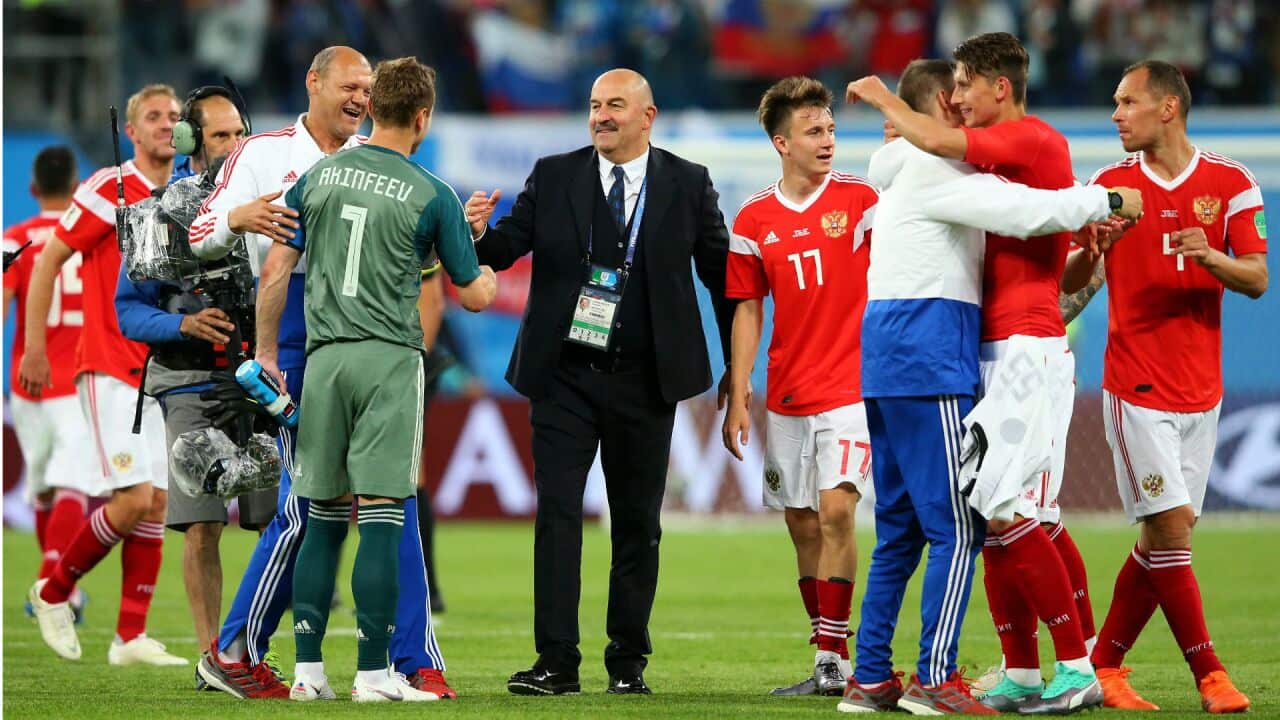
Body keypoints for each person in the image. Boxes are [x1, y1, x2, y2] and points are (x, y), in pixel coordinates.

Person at [841, 58, 1140, 715]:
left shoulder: (901, 177)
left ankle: (869, 678)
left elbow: (1037, 249)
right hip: (934, 359)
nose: (963, 108)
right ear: (937, 115)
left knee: (903, 529)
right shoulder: (938, 170)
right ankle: (940, 678)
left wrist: (1086, 250)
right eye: (952, 100)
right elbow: (1024, 209)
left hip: (891, 362)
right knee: (962, 524)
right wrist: (1105, 198)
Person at [190, 46, 457, 701]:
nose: (360, 96)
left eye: (368, 87)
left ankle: (411, 658)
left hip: (358, 332)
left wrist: (454, 236)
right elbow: (198, 231)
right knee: (309, 507)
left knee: (389, 501)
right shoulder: (259, 154)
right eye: (349, 84)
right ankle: (233, 650)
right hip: (291, 331)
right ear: (314, 83)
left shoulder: (377, 162)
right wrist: (239, 217)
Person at [464, 68, 737, 696]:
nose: (601, 116)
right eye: (593, 106)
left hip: (647, 382)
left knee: (638, 523)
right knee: (557, 516)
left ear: (648, 115)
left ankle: (627, 664)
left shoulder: (688, 184)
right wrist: (477, 233)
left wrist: (734, 373)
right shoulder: (554, 174)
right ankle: (556, 661)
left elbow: (725, 283)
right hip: (564, 377)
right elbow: (507, 246)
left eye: (615, 105)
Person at [256, 56, 495, 703]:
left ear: (374, 105)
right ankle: (371, 675)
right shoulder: (432, 192)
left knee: (322, 515)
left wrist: (267, 352)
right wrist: (480, 254)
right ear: (422, 117)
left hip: (324, 360)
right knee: (385, 516)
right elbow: (472, 295)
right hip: (388, 360)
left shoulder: (318, 177)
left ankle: (306, 673)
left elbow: (276, 270)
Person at [1085, 60, 1263, 715]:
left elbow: (1257, 278)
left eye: (1126, 101)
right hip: (1136, 384)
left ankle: (1104, 664)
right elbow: (1075, 270)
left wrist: (1210, 257)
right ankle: (1211, 674)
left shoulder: (1232, 182)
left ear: (1167, 108)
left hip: (1203, 390)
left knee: (1164, 538)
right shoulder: (1106, 186)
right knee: (1170, 531)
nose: (1115, 114)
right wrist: (1093, 245)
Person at [720, 76, 878, 698]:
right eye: (814, 131)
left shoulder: (865, 203)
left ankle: (837, 660)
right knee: (803, 525)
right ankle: (827, 659)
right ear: (782, 142)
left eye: (831, 128)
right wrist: (739, 391)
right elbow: (748, 308)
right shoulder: (754, 219)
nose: (828, 140)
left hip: (852, 389)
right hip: (787, 393)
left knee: (838, 512)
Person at [22, 84, 187, 667]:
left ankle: (129, 637)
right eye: (153, 117)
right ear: (132, 132)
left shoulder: (184, 194)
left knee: (158, 502)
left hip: (159, 368)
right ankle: (52, 591)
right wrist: (35, 347)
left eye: (173, 116)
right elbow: (47, 262)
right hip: (109, 366)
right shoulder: (106, 188)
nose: (167, 124)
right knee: (131, 498)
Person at [114, 86, 274, 661]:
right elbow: (127, 309)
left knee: (274, 522)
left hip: (261, 380)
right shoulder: (161, 212)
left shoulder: (271, 206)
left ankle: (252, 648)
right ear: (190, 142)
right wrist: (181, 326)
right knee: (202, 524)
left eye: (240, 133)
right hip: (190, 383)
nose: (235, 146)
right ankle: (215, 658)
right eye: (221, 136)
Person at [4, 146, 95, 624]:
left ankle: (56, 587)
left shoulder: (12, 239)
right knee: (69, 487)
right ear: (77, 187)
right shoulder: (89, 235)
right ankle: (55, 586)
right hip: (79, 379)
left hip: (28, 382)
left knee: (44, 491)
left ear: (34, 189)